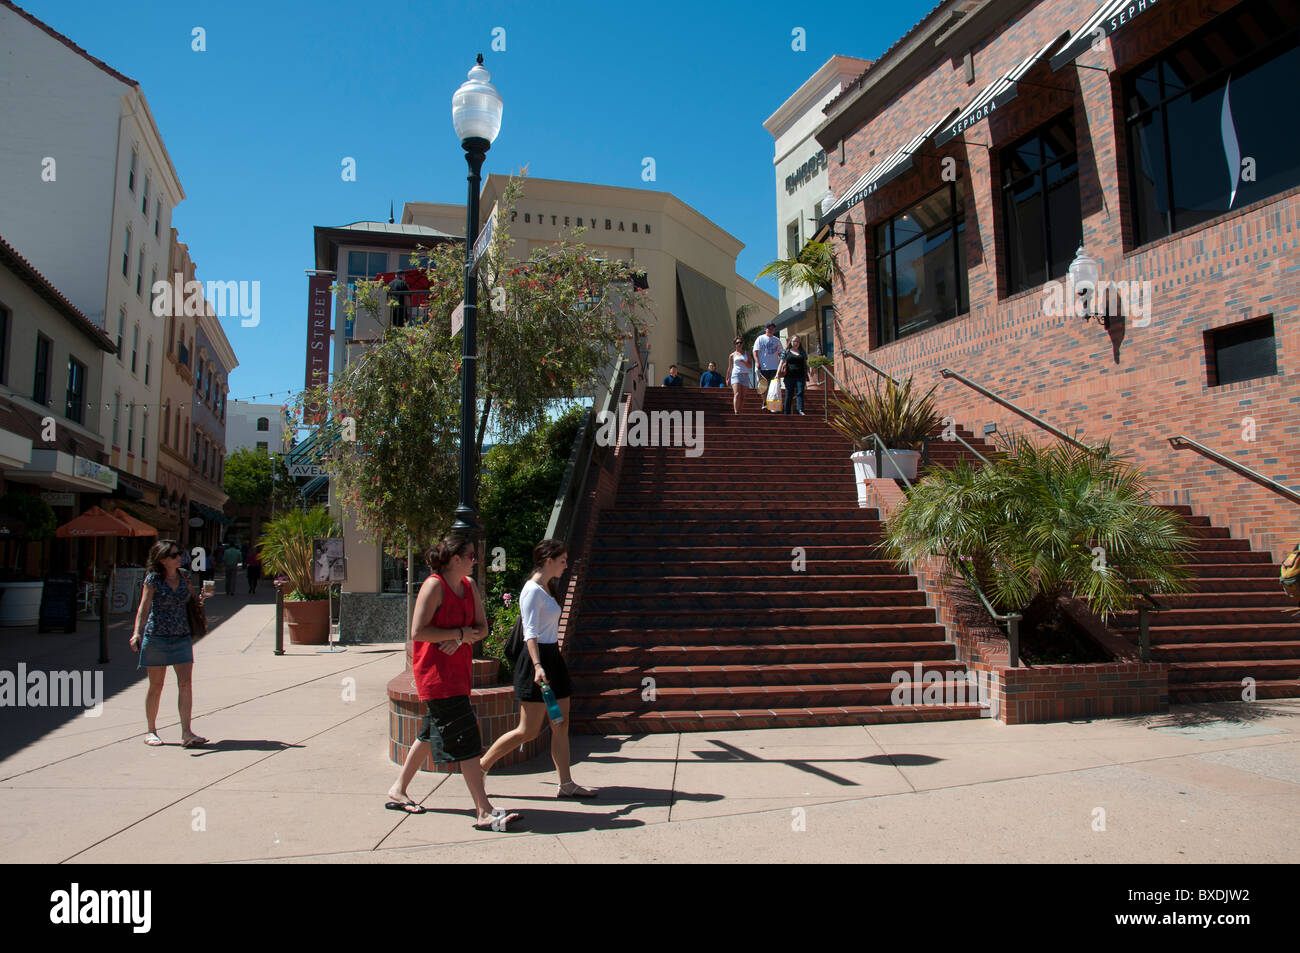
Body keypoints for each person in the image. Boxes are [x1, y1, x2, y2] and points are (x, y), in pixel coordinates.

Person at [385, 535, 521, 830]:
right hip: (436, 676)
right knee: (466, 739)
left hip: (458, 673)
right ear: (455, 559)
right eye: (471, 555)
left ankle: (398, 789)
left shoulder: (469, 587)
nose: (475, 560)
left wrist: (461, 637)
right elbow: (418, 631)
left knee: (427, 733)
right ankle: (483, 811)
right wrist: (458, 634)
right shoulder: (435, 586)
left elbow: (482, 628)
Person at [480, 539, 596, 798]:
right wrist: (538, 666)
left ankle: (566, 784)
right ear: (548, 560)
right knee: (528, 730)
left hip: (552, 657)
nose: (566, 565)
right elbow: (529, 633)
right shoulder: (532, 590)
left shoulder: (546, 588)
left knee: (561, 723)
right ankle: (480, 767)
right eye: (563, 560)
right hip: (537, 660)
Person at [130, 539, 210, 748]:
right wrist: (136, 633)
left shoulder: (184, 575)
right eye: (174, 555)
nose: (179, 557)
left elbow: (189, 601)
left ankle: (187, 732)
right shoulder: (154, 579)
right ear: (163, 559)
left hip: (181, 636)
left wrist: (200, 599)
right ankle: (151, 730)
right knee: (156, 685)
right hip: (157, 637)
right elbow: (144, 607)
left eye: (180, 554)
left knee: (185, 684)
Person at [752, 322, 783, 407]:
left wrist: (783, 363)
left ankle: (772, 404)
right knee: (763, 386)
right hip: (762, 367)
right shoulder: (760, 339)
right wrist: (757, 362)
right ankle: (764, 402)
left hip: (774, 367)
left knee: (773, 386)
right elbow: (755, 352)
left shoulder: (777, 340)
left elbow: (781, 353)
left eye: (772, 328)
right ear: (765, 329)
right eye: (769, 328)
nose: (771, 330)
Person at [777, 333, 809, 415]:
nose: (796, 343)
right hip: (789, 376)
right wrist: (777, 374)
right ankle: (786, 412)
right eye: (794, 341)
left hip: (800, 376)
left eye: (798, 341)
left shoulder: (802, 352)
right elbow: (781, 362)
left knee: (800, 392)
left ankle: (800, 410)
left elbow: (806, 362)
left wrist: (810, 369)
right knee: (789, 394)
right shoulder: (786, 352)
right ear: (791, 342)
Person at [726, 337, 753, 415]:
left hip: (745, 375)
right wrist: (727, 377)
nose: (739, 344)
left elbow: (750, 366)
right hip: (736, 375)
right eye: (737, 343)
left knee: (743, 396)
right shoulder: (732, 355)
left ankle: (739, 411)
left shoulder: (747, 353)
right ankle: (736, 411)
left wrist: (744, 362)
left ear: (743, 343)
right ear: (735, 344)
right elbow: (730, 367)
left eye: (741, 342)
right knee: (737, 394)